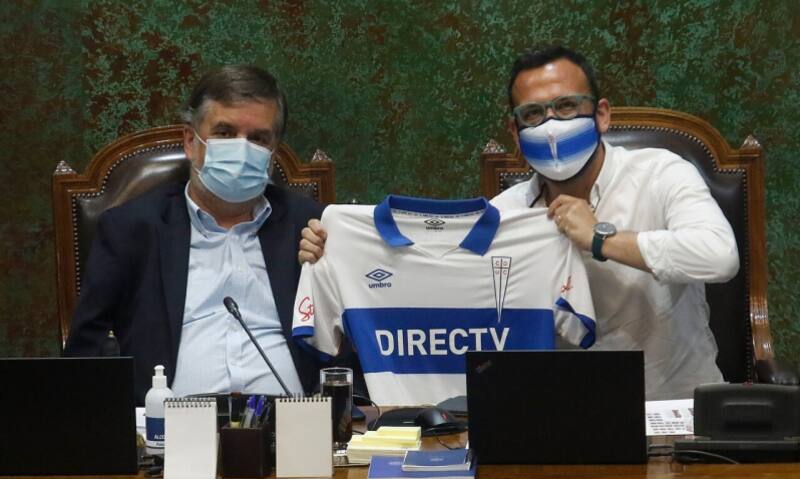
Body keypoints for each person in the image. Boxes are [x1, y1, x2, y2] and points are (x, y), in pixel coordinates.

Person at [300, 45, 740, 401]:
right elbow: (446, 300)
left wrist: (600, 238)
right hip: (562, 416)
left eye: (566, 106)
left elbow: (719, 257)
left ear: (602, 114)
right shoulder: (506, 217)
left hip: (673, 406)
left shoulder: (661, 173)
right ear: (515, 133)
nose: (551, 126)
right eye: (533, 115)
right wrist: (337, 260)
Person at [65, 65, 324, 404]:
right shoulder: (133, 229)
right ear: (191, 141)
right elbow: (85, 351)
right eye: (224, 133)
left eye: (258, 139)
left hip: (295, 421)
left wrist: (328, 270)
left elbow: (352, 341)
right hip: (170, 425)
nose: (241, 150)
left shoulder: (311, 228)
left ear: (273, 153)